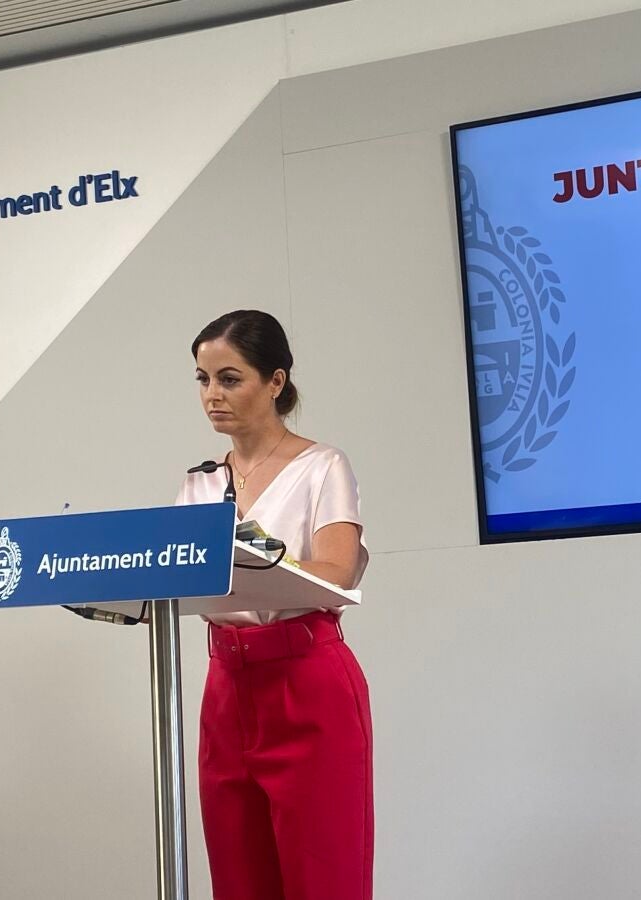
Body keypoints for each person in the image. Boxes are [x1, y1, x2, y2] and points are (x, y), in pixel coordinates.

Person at [178, 309, 374, 900]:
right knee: (238, 879)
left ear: (275, 381)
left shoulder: (322, 466)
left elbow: (338, 570)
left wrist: (260, 560)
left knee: (324, 878)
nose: (212, 395)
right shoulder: (198, 483)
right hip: (226, 688)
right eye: (203, 379)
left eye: (229, 378)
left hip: (306, 681)